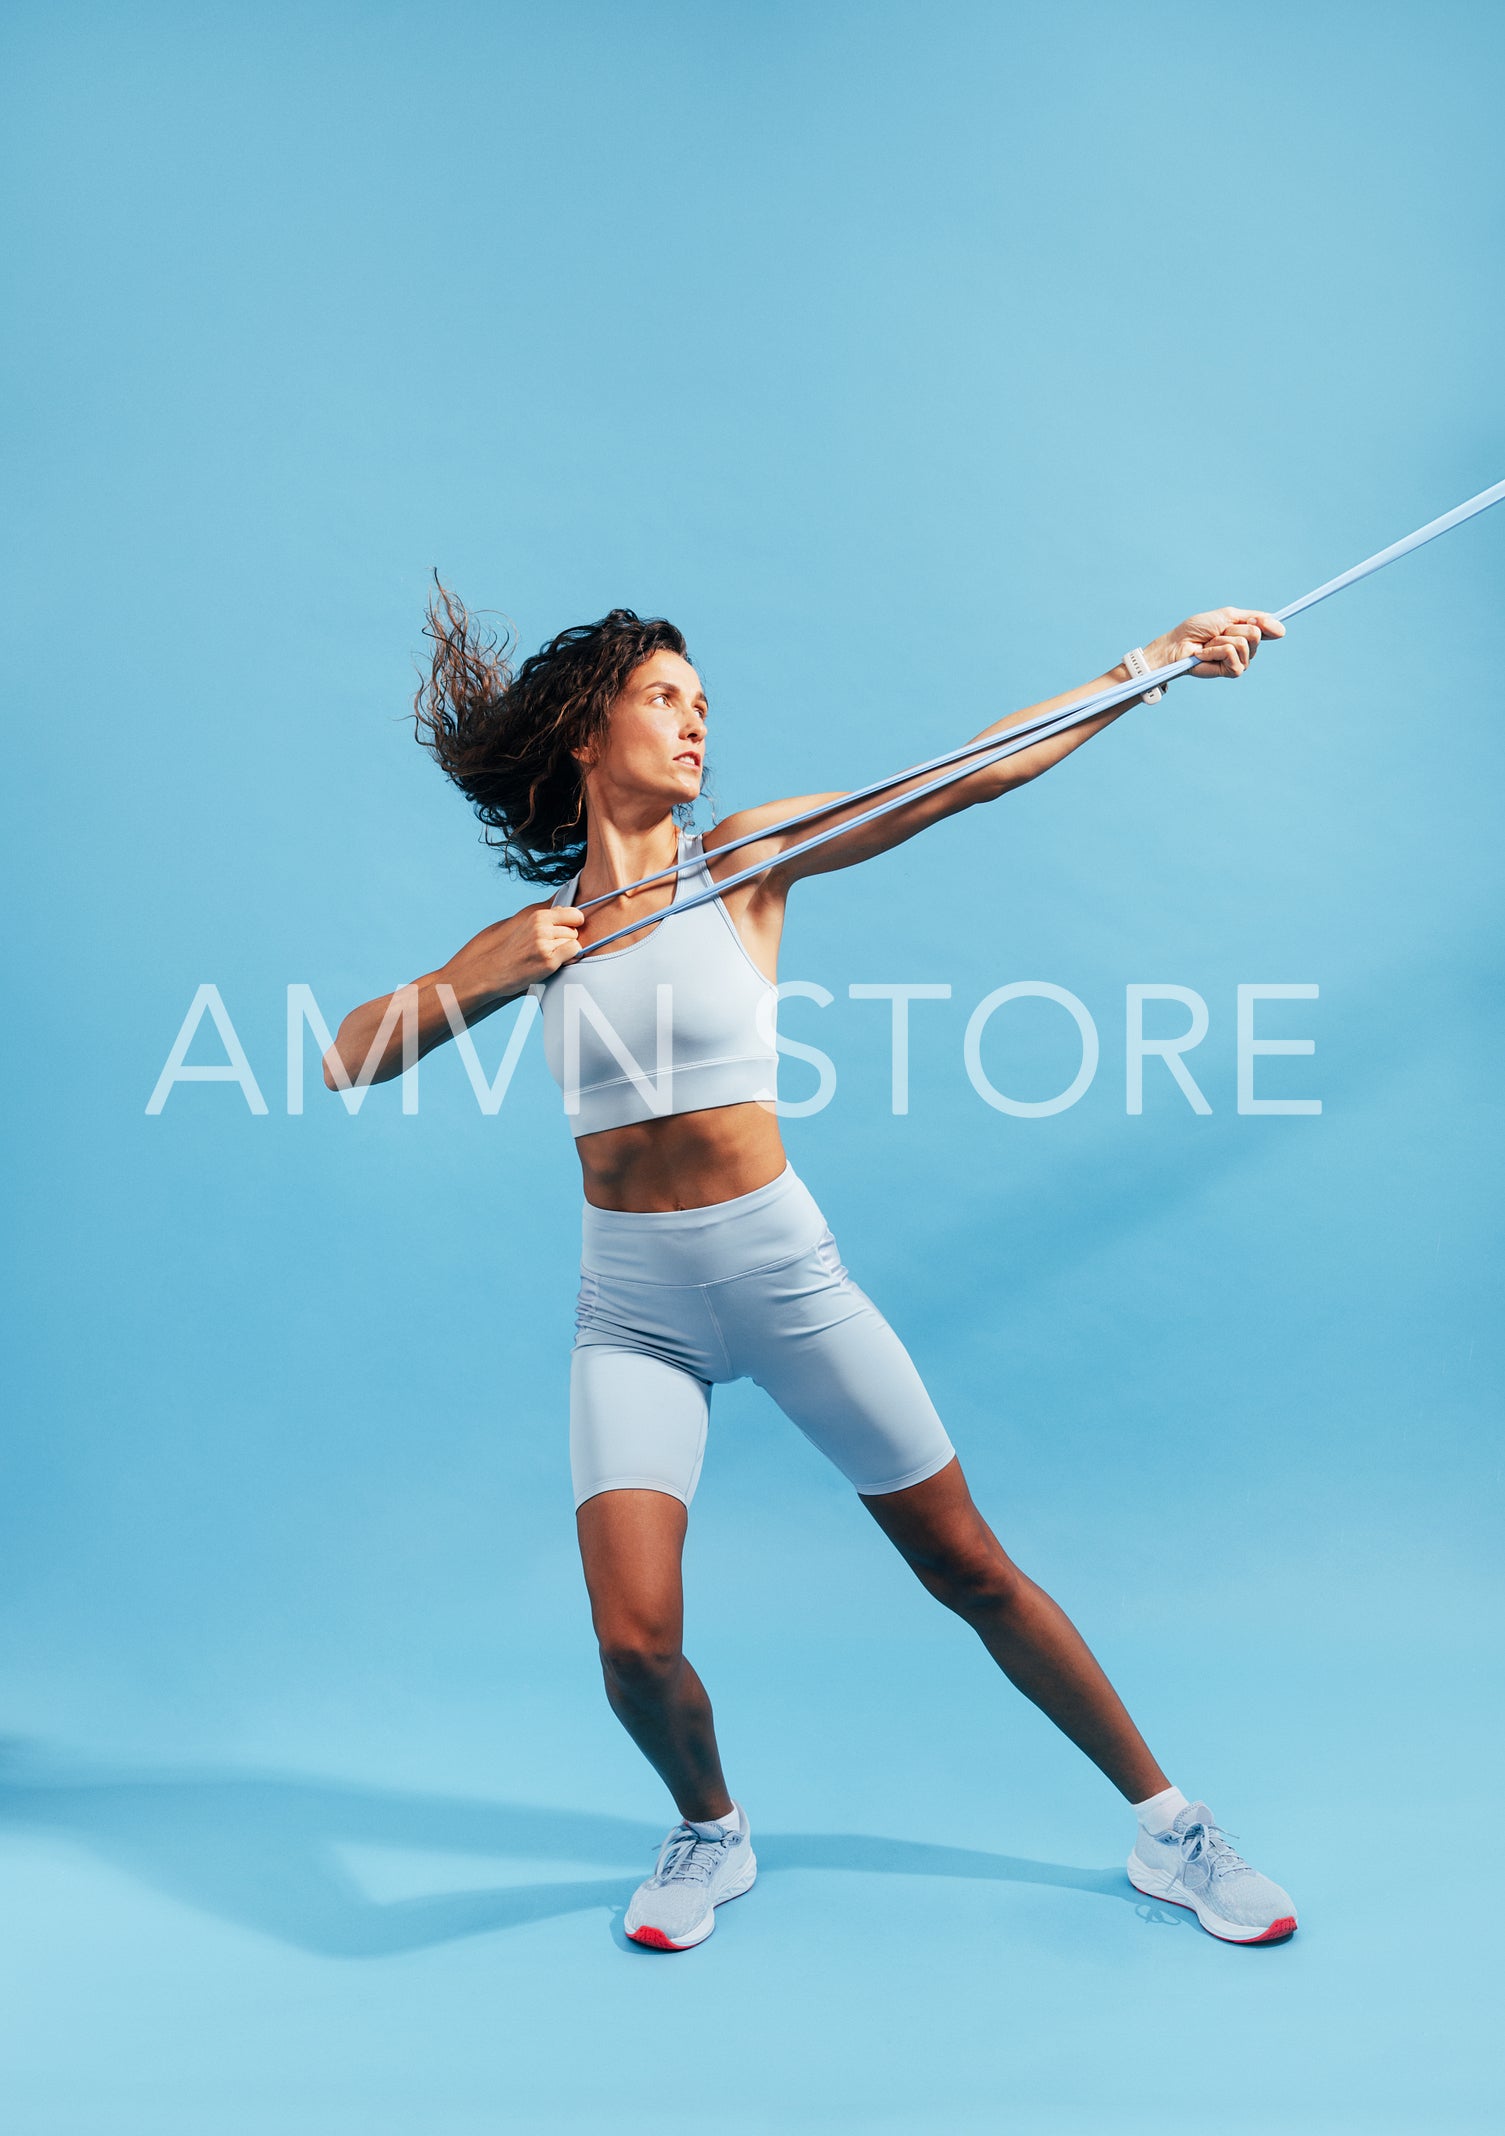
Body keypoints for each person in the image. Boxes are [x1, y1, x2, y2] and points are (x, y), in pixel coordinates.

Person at [324, 589, 1298, 1951]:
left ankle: (1170, 1828)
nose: (695, 717)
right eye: (665, 695)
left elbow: (958, 779)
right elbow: (348, 1056)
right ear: (585, 731)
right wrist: (482, 974)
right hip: (631, 1312)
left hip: (782, 1275)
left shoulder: (739, 864)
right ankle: (708, 1830)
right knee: (633, 1645)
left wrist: (1150, 667)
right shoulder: (535, 941)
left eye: (702, 700)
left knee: (966, 1566)